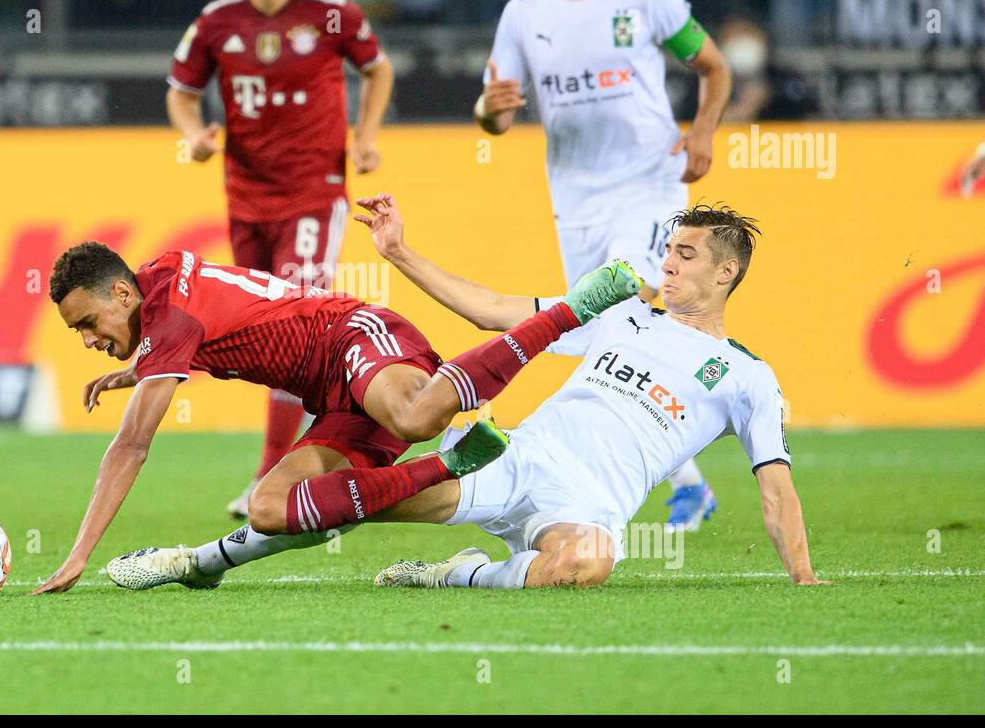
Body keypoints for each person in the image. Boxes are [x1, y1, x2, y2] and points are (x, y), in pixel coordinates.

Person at [107, 194, 828, 592]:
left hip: (586, 507)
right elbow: (490, 309)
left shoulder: (747, 377)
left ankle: (462, 576)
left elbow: (776, 488)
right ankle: (199, 562)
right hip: (509, 461)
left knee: (586, 567)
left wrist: (803, 577)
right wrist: (399, 254)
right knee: (355, 495)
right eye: (669, 250)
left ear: (726, 274)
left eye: (687, 255)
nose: (668, 264)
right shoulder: (622, 309)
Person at [31, 240, 642, 593]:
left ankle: (571, 309)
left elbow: (131, 446)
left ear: (120, 294)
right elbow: (213, 317)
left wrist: (79, 553)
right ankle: (451, 467)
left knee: (412, 416)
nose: (86, 338)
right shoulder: (157, 283)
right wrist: (138, 368)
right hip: (334, 399)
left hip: (353, 335)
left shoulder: (170, 321)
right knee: (273, 508)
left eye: (87, 323)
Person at [475, 0, 733, 531]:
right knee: (601, 331)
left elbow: (713, 65)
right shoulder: (524, 13)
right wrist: (488, 110)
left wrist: (703, 130)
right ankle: (693, 470)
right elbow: (497, 114)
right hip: (575, 200)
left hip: (647, 185)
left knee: (617, 310)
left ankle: (579, 455)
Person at [164, 0, 395, 519]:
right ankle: (327, 453)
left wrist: (366, 138)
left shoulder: (332, 15)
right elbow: (181, 92)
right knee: (265, 336)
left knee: (294, 325)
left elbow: (378, 70)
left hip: (315, 197)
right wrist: (194, 135)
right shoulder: (217, 23)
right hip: (247, 201)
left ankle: (276, 474)